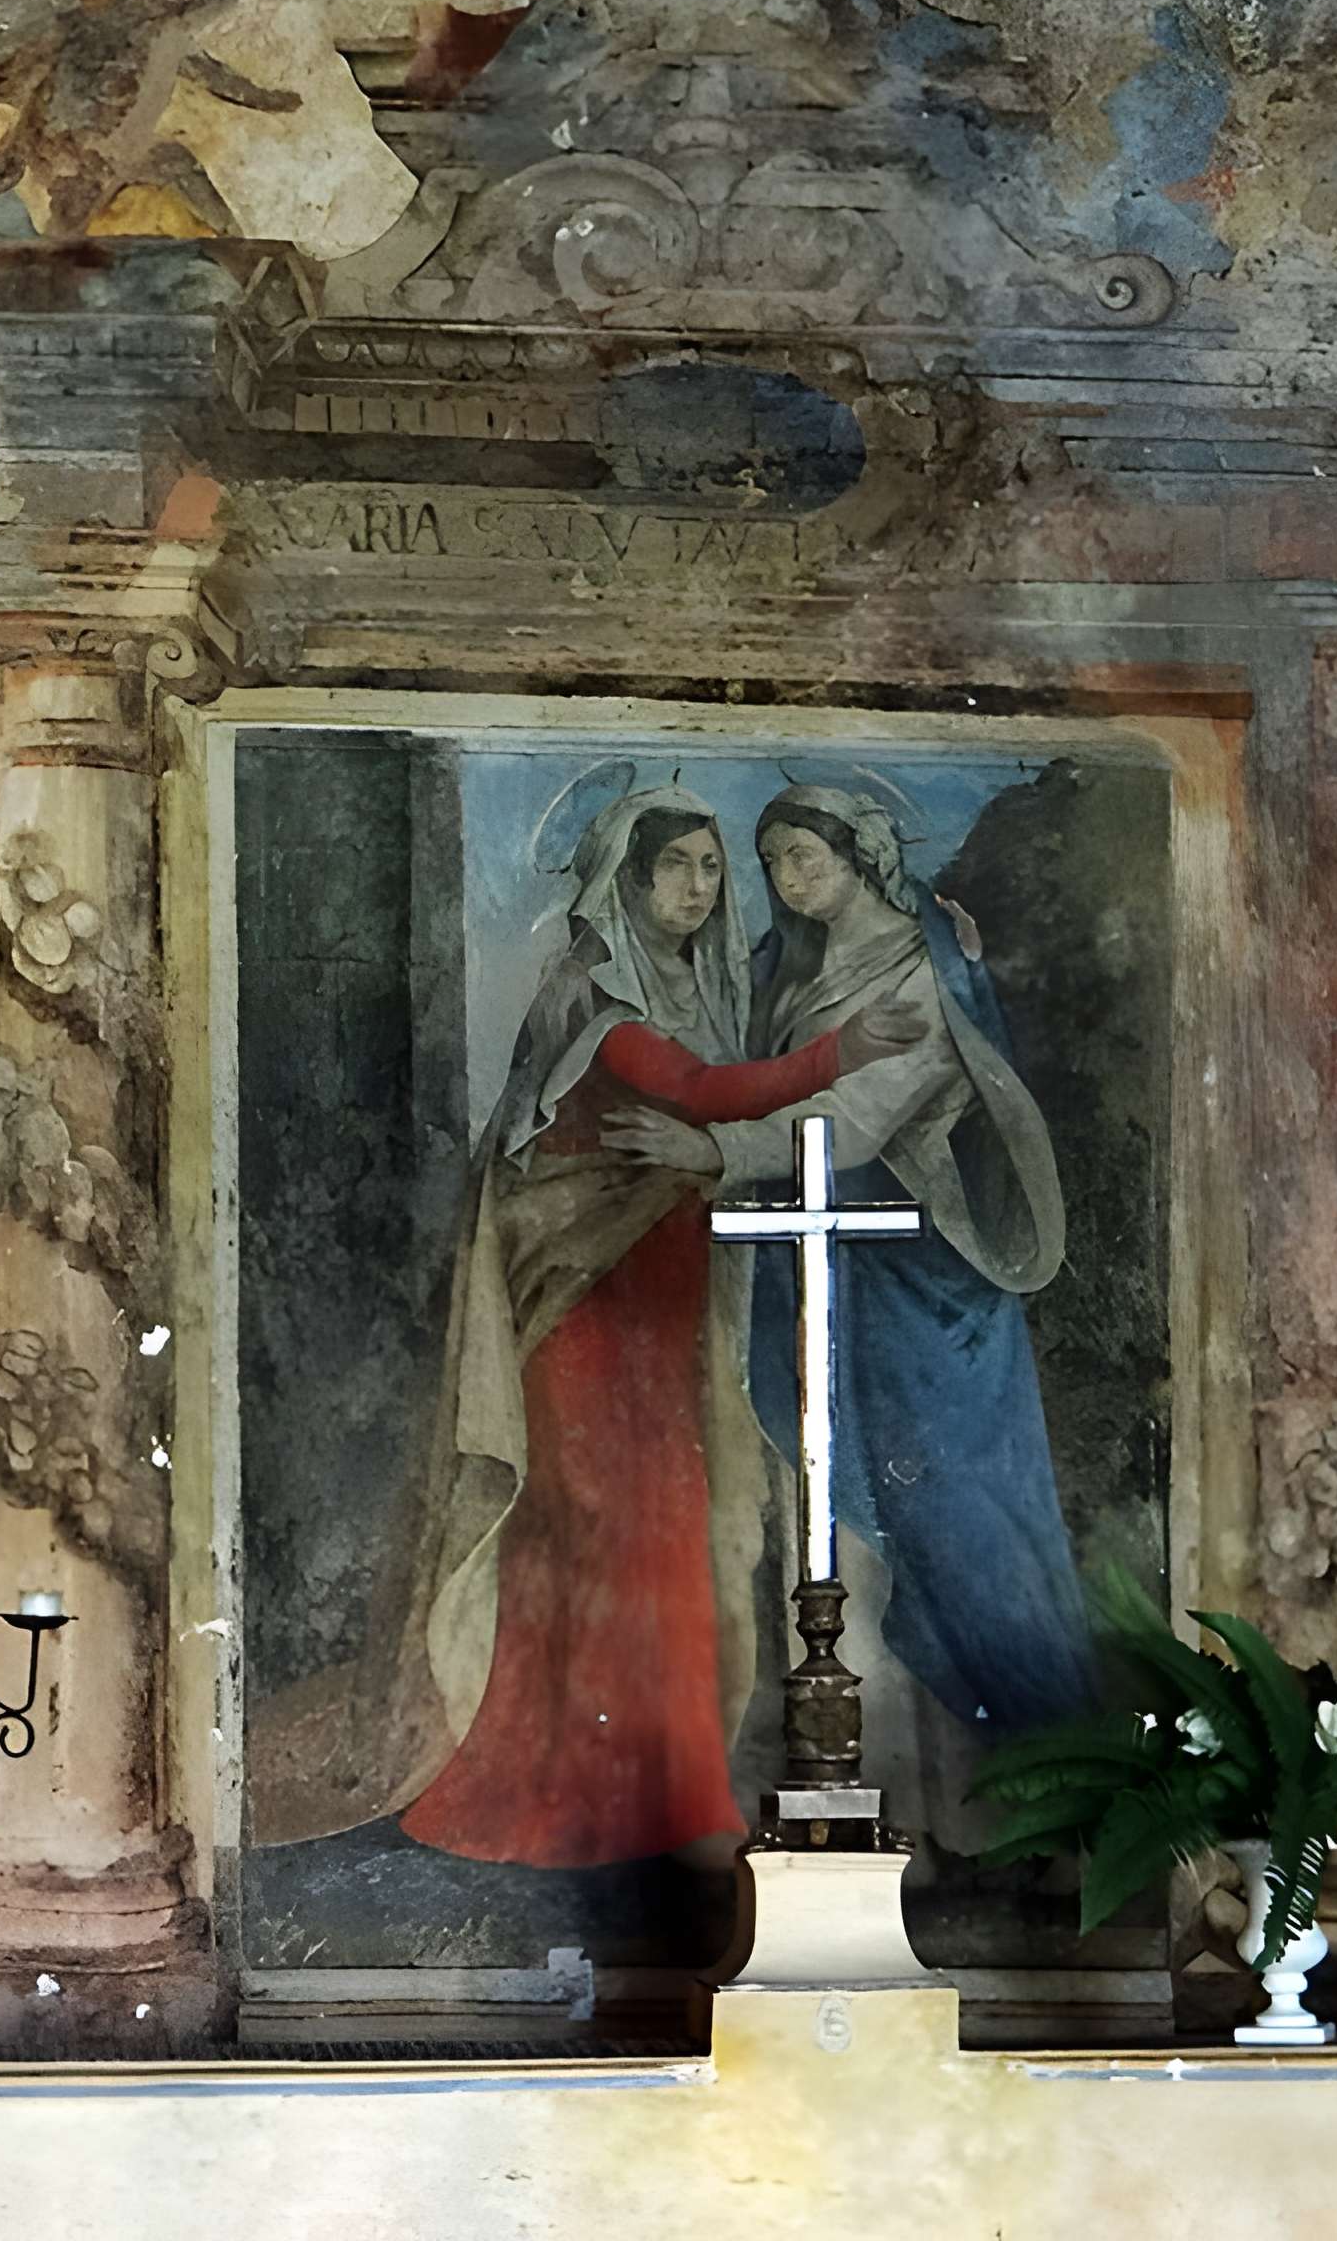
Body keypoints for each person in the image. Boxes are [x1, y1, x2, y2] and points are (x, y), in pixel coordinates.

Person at [388, 787, 923, 1869]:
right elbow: (703, 1089)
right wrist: (846, 1050)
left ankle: (674, 1794)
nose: (698, 886)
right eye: (676, 864)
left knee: (673, 1534)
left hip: (664, 1306)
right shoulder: (592, 989)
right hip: (580, 1312)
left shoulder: (704, 987)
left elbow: (714, 1101)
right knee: (589, 1532)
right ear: (625, 881)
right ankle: (562, 1786)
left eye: (711, 868)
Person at [609, 784, 1097, 1787]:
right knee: (830, 1512)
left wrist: (707, 1150)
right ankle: (889, 1792)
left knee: (950, 1517)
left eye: (806, 856)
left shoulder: (925, 968)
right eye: (775, 860)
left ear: (859, 852)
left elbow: (858, 1120)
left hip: (920, 1277)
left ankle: (1032, 1780)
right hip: (818, 1262)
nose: (789, 879)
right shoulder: (784, 966)